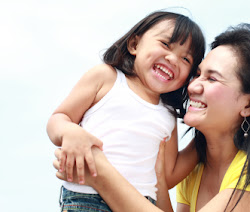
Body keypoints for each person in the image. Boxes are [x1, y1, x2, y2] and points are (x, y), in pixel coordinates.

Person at [53, 23, 250, 212]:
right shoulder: (196, 171)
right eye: (197, 74)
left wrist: (98, 169)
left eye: (211, 78)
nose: (192, 86)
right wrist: (160, 180)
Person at [47, 10, 205, 211]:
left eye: (186, 59)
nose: (173, 59)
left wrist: (204, 141)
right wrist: (70, 131)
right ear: (134, 45)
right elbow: (59, 118)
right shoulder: (107, 77)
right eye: (165, 44)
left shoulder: (167, 114)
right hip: (87, 199)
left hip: (140, 204)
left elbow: (169, 174)